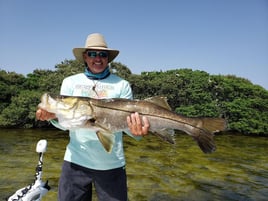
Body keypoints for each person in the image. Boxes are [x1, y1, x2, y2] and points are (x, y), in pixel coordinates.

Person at [36, 33, 150, 201]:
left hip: (112, 165)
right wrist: (52, 117)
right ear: (85, 56)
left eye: (102, 54)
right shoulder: (69, 82)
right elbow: (67, 123)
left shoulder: (122, 85)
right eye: (92, 54)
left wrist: (137, 133)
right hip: (74, 163)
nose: (98, 58)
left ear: (108, 58)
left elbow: (128, 127)